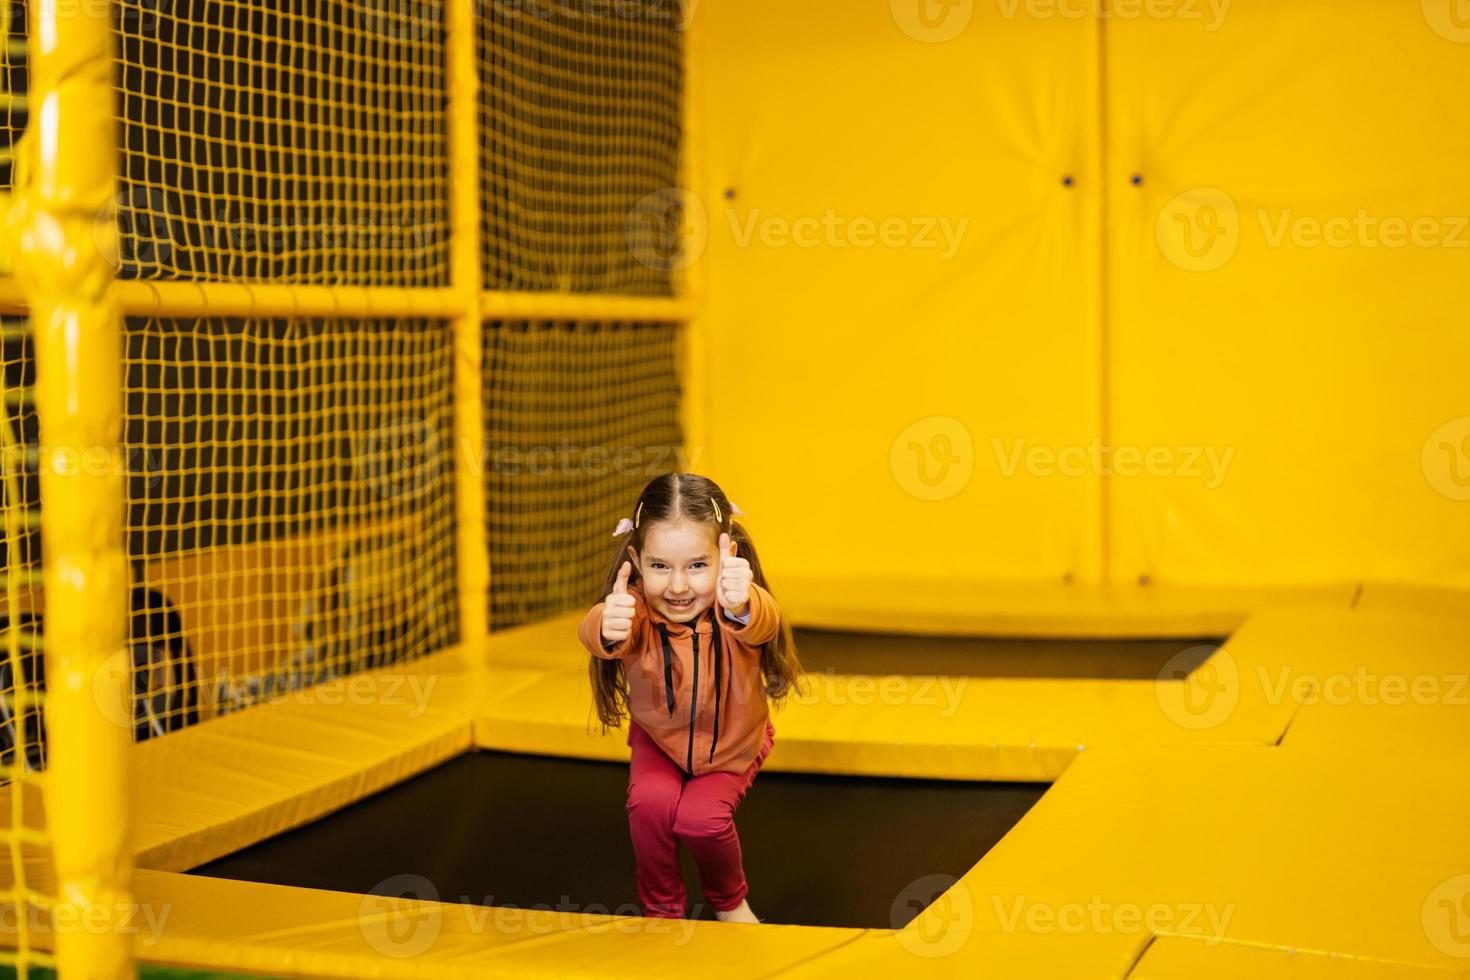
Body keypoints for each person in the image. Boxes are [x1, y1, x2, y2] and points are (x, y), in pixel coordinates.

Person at [578, 472, 801, 923]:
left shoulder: (734, 605)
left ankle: (728, 901)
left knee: (701, 820)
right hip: (658, 742)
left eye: (697, 566)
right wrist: (605, 623)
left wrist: (742, 601)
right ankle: (662, 911)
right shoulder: (635, 609)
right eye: (660, 566)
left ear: (727, 557)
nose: (678, 587)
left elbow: (764, 621)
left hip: (732, 747)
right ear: (636, 561)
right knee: (649, 806)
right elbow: (602, 632)